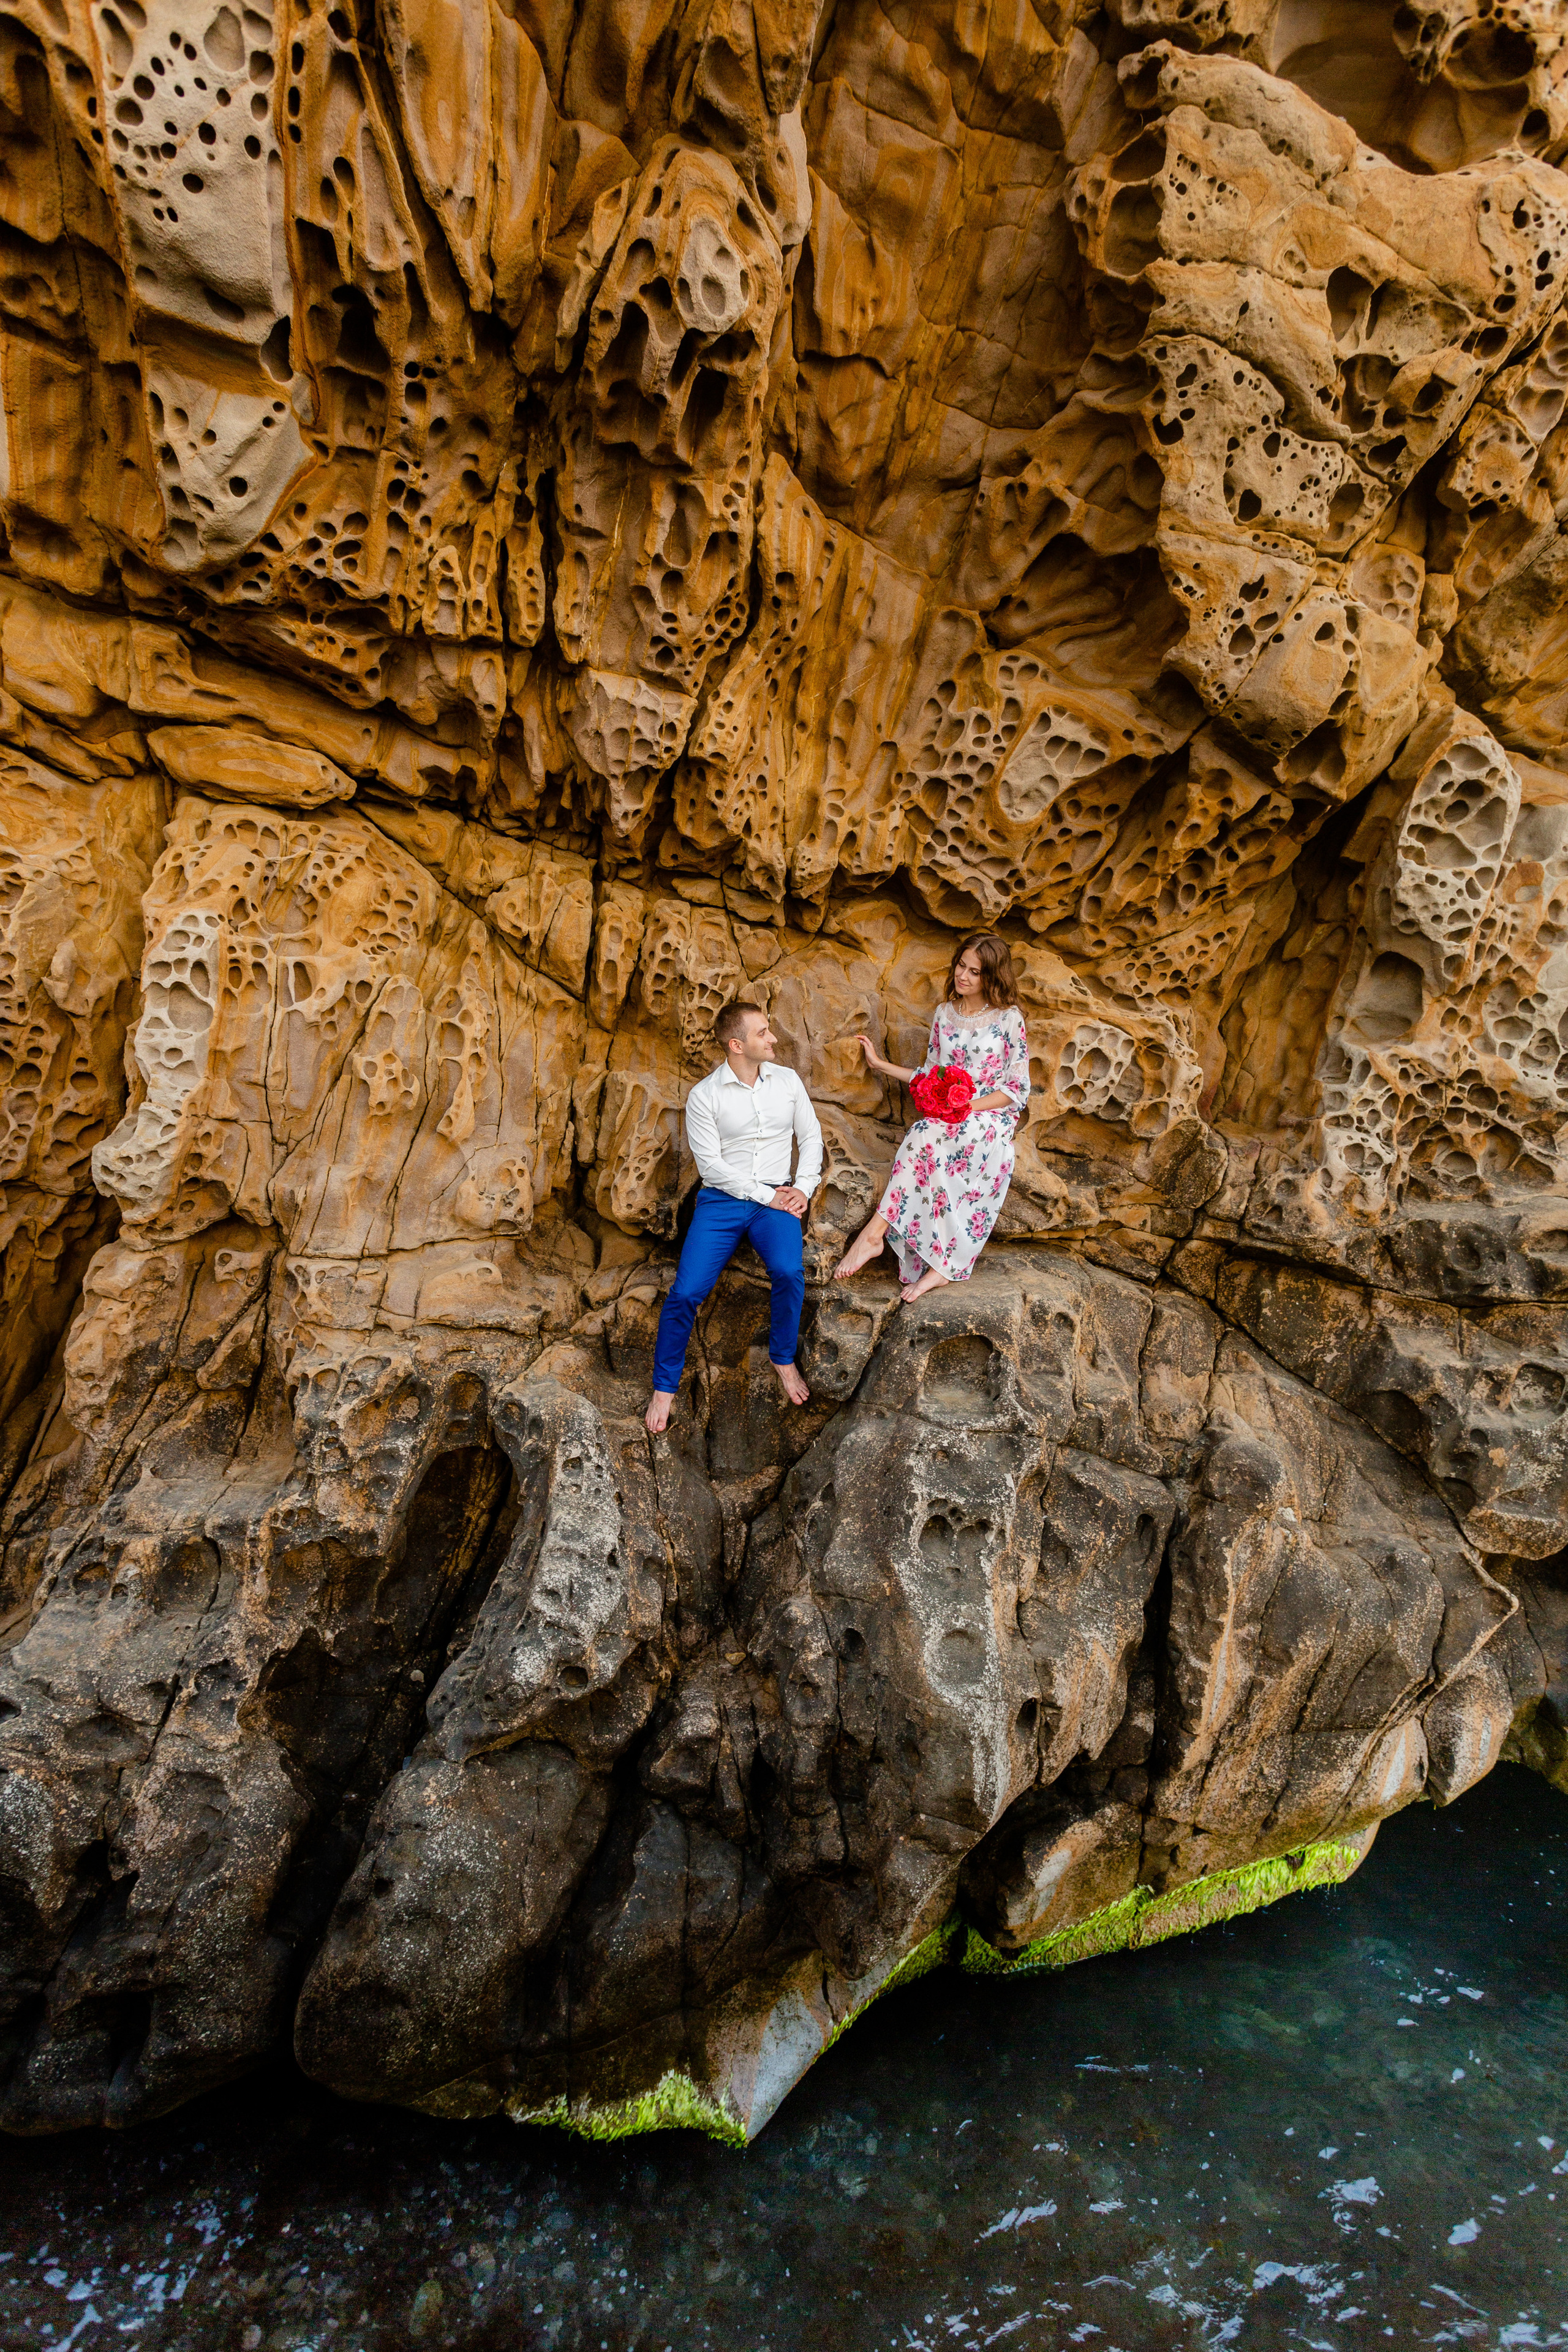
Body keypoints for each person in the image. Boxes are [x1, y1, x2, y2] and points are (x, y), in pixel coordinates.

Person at [644, 1000, 823, 1434]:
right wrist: (769, 1196)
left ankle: (783, 1358)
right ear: (736, 1045)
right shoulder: (705, 1096)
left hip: (779, 1195)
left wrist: (803, 1186)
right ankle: (663, 1388)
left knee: (788, 1271)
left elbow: (811, 1135)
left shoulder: (787, 1081)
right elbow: (712, 1169)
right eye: (764, 1032)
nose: (774, 1038)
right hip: (722, 1202)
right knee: (686, 1292)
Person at [832, 934, 1029, 1303]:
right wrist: (879, 1064)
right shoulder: (944, 1013)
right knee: (926, 1132)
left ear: (991, 977)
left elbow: (1017, 1088)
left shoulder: (1008, 1018)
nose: (964, 976)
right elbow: (932, 1074)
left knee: (925, 1132)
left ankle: (881, 1239)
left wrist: (970, 1107)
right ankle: (915, 1256)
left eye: (976, 972)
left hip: (990, 1115)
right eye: (961, 966)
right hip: (950, 1114)